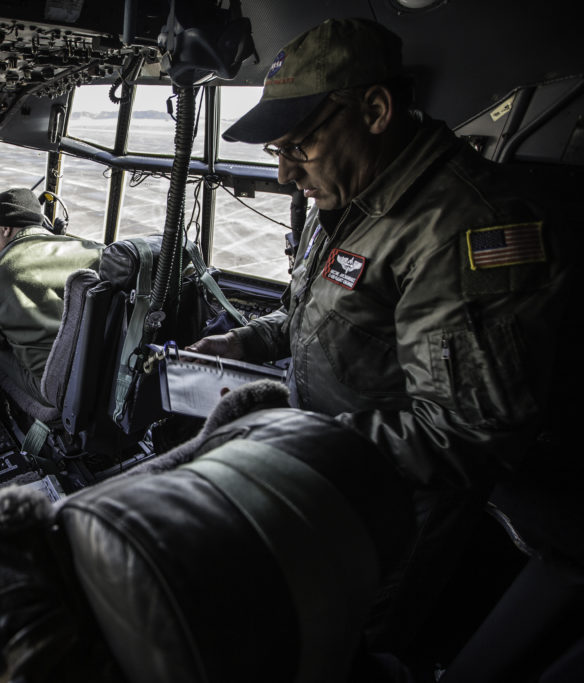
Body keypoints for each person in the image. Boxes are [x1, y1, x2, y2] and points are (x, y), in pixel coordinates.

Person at [189, 17, 579, 676]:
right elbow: (309, 315)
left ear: (374, 110)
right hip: (329, 475)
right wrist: (244, 340)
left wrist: (300, 448)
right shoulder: (350, 199)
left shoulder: (465, 227)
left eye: (299, 145)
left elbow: (465, 432)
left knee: (349, 649)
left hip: (395, 519)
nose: (285, 173)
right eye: (276, 151)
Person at [0, 187, 103, 407]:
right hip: (101, 371)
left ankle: (0, 407)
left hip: (53, 387)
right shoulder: (91, 249)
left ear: (5, 229)